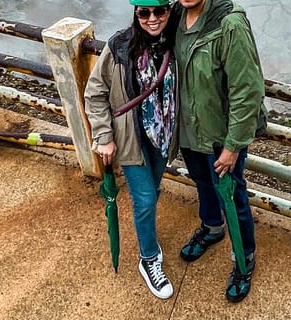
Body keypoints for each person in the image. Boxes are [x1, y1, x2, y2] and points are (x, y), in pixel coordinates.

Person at [84, 0, 179, 300]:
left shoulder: (178, 39)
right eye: (144, 13)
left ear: (168, 11)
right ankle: (148, 258)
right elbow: (95, 92)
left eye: (159, 11)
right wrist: (103, 136)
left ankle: (147, 232)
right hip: (130, 140)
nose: (152, 19)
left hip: (163, 138)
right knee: (146, 198)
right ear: (135, 13)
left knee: (152, 191)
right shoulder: (119, 46)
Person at [172, 0, 266, 303]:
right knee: (202, 183)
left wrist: (233, 145)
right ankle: (212, 228)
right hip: (189, 129)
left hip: (220, 137)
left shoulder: (230, 24)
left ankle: (244, 258)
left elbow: (247, 89)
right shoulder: (174, 14)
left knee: (233, 196)